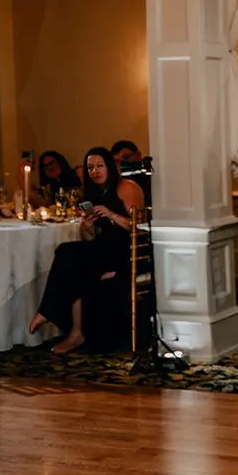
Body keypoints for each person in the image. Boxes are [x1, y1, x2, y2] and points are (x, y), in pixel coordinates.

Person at [27, 147, 146, 354]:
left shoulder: (127, 187)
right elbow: (90, 239)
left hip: (129, 251)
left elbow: (138, 226)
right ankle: (74, 332)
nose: (95, 171)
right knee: (68, 254)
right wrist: (87, 226)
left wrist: (111, 215)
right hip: (104, 250)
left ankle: (49, 313)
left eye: (100, 166)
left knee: (70, 256)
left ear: (110, 166)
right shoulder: (94, 193)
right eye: (90, 167)